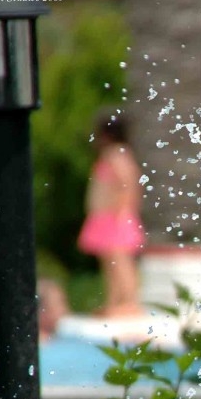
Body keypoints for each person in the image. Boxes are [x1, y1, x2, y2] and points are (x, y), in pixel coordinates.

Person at [78, 111, 145, 318]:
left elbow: (127, 183)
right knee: (110, 262)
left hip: (115, 216)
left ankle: (130, 301)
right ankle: (115, 301)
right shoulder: (113, 154)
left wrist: (122, 209)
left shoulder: (116, 154)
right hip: (106, 216)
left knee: (120, 261)